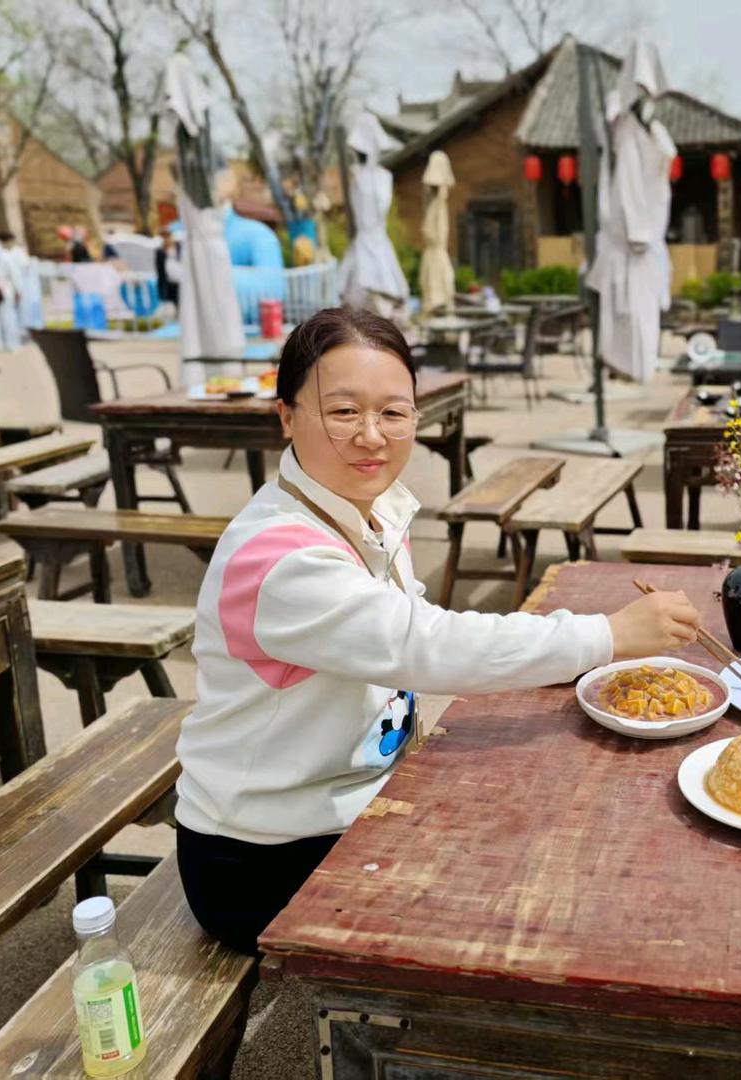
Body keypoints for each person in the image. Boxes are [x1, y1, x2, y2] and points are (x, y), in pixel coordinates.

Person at [175, 306, 701, 956]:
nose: (371, 435)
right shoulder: (280, 560)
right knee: (527, 893)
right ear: (286, 417)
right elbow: (428, 646)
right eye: (342, 412)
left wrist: (581, 645)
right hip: (261, 854)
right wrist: (606, 636)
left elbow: (418, 634)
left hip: (355, 794)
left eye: (394, 413)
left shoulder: (361, 513)